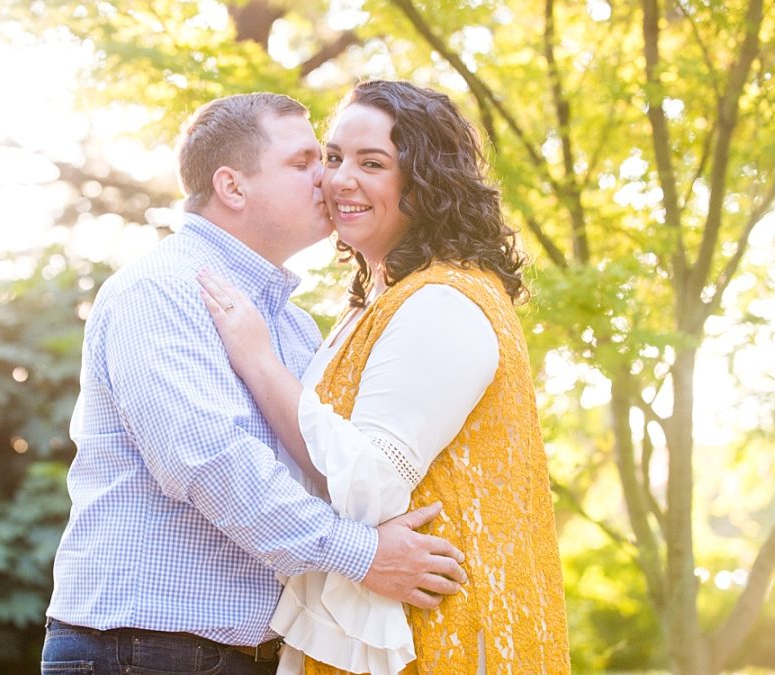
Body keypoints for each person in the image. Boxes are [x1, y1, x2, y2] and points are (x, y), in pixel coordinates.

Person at [42, 92, 470, 675]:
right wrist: (364, 555)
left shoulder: (291, 325)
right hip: (143, 650)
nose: (328, 178)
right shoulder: (161, 290)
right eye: (304, 163)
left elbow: (326, 466)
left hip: (244, 656)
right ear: (232, 187)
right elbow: (208, 463)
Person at [198, 80, 571, 674]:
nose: (339, 178)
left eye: (372, 163)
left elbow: (370, 480)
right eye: (333, 156)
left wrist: (259, 359)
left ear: (425, 184)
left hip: (441, 634)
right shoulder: (377, 303)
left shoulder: (445, 300)